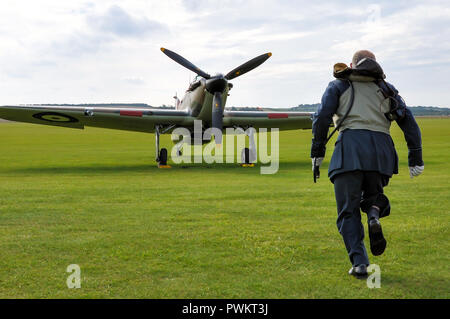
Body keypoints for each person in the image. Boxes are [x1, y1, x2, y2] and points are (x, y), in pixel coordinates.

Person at [310, 50, 424, 278]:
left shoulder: (338, 85)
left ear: (352, 64)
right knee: (374, 197)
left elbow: (322, 117)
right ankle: (373, 214)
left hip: (349, 150)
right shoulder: (386, 88)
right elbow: (408, 120)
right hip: (381, 152)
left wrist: (318, 151)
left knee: (348, 211)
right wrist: (415, 157)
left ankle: (360, 264)